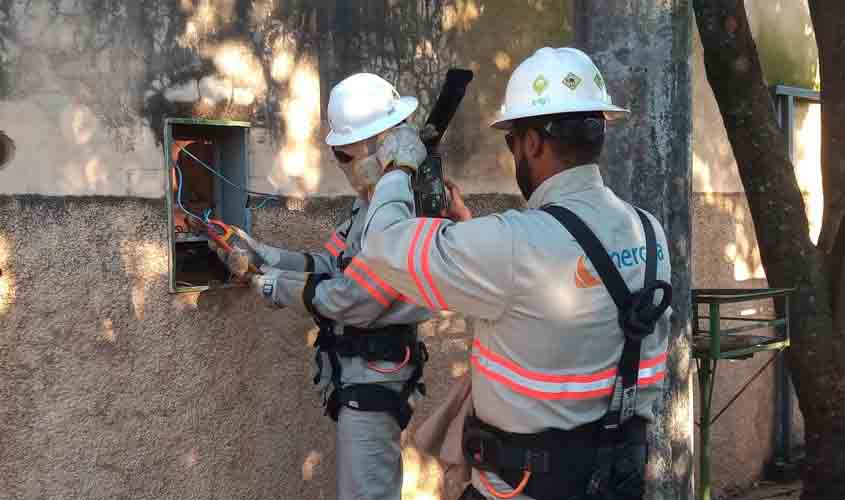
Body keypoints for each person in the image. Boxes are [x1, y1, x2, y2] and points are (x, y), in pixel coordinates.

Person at [354, 47, 673, 500]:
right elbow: (548, 304)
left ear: (532, 143)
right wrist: (470, 233)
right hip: (614, 484)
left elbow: (382, 246)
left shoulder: (511, 245)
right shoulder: (649, 230)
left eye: (511, 141)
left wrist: (399, 167)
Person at [211, 73, 432, 500]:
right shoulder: (370, 203)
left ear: (375, 147)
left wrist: (268, 284)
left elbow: (354, 297)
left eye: (343, 154)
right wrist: (264, 254)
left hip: (376, 378)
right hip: (359, 375)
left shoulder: (402, 208)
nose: (340, 164)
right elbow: (332, 263)